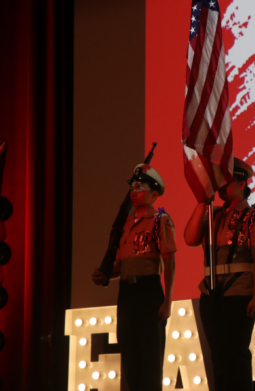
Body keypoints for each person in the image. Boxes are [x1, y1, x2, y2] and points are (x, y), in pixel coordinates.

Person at [183, 158, 255, 391]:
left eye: (227, 181)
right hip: (212, 293)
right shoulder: (215, 214)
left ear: (242, 184)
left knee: (236, 355)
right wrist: (203, 203)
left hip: (239, 293)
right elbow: (190, 239)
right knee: (218, 356)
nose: (222, 187)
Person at [91, 163, 176, 391]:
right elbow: (123, 264)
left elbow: (169, 262)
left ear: (154, 194)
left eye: (140, 187)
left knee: (150, 358)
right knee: (130, 356)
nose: (134, 192)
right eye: (133, 187)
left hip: (149, 291)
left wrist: (168, 301)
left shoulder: (160, 220)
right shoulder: (125, 224)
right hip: (127, 294)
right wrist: (106, 275)